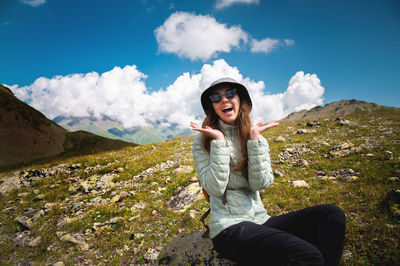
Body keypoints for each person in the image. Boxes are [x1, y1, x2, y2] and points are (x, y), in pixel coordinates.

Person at [190, 77, 346, 265]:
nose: (224, 99)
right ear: (212, 106)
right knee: (306, 255)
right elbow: (215, 188)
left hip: (261, 221)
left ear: (241, 100)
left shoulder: (256, 137)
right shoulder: (203, 141)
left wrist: (254, 142)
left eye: (230, 93)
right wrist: (220, 143)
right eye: (216, 98)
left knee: (332, 215)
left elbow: (261, 183)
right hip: (228, 228)